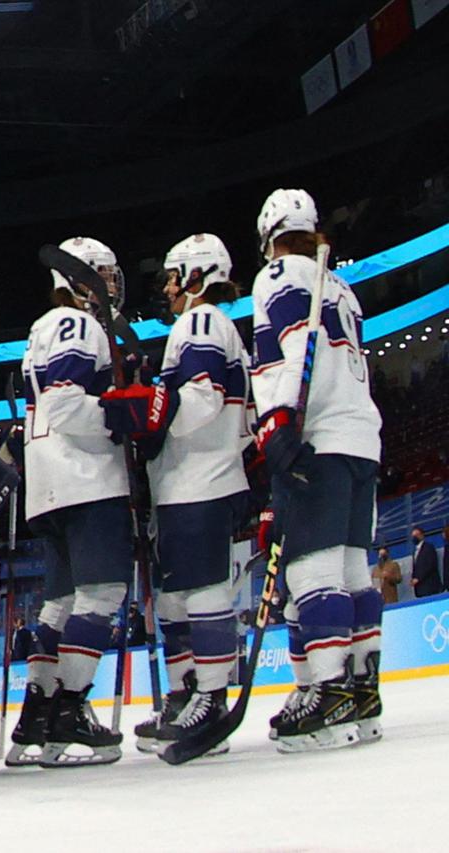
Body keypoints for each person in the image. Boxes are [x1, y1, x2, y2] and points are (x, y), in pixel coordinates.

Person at [101, 233, 252, 757]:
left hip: (202, 481)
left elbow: (202, 398)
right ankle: (187, 695)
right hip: (187, 482)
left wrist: (146, 409)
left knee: (203, 591)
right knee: (175, 596)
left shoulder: (201, 320)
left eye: (172, 277)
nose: (167, 289)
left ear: (196, 275)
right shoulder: (203, 325)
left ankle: (210, 699)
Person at [250, 188, 384, 751]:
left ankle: (328, 696)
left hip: (318, 437)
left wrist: (278, 422)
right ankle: (362, 693)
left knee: (311, 573)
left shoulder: (279, 273)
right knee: (353, 572)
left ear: (269, 237)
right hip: (361, 439)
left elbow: (294, 347)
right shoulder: (340, 284)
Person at [6, 236, 133, 769]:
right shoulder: (77, 324)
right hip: (87, 477)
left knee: (60, 602)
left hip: (50, 481)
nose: (110, 285)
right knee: (102, 593)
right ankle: (70, 708)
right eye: (102, 274)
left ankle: (37, 711)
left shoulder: (46, 326)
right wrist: (120, 418)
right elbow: (64, 402)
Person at [410, 526, 443, 597]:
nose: (414, 537)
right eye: (413, 536)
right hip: (420, 588)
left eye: (416, 535)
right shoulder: (415, 552)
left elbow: (430, 565)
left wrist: (418, 578)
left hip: (430, 586)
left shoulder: (429, 547)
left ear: (422, 535)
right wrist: (413, 578)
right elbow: (415, 567)